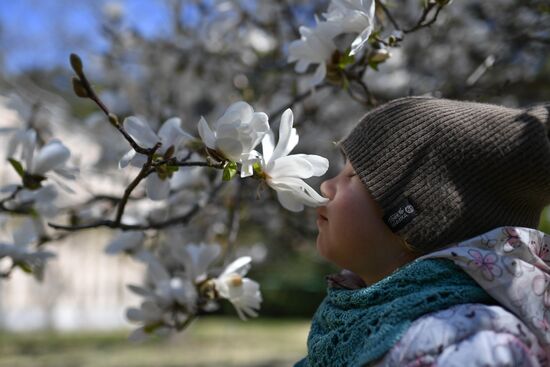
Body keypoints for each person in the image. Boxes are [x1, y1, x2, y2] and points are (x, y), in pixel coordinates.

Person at [295, 97, 550, 366]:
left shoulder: (474, 344)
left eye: (354, 176)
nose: (326, 186)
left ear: (411, 219)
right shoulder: (347, 320)